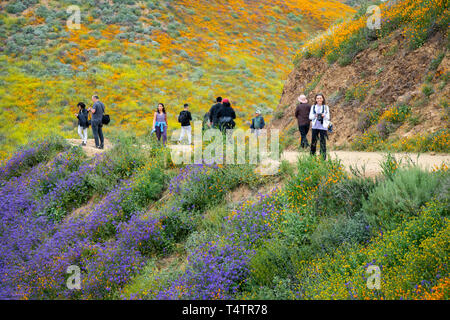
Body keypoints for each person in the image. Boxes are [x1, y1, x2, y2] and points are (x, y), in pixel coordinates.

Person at [309, 93, 330, 160]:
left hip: (323, 127)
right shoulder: (313, 107)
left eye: (320, 98)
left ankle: (323, 157)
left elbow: (328, 117)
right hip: (315, 126)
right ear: (315, 99)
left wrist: (324, 116)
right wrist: (315, 115)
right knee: (313, 141)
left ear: (323, 99)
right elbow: (310, 117)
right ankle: (312, 157)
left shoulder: (326, 107)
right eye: (317, 98)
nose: (319, 99)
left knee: (323, 142)